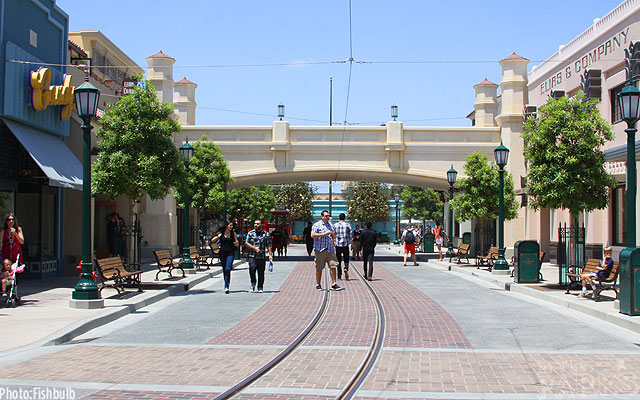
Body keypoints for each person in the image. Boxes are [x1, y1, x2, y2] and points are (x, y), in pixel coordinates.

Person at [311, 210, 342, 291]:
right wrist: (324, 234)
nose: (327, 217)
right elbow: (313, 235)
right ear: (322, 217)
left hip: (330, 250)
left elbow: (333, 235)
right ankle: (318, 284)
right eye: (326, 216)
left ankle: (334, 283)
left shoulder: (331, 225)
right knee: (319, 267)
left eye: (328, 216)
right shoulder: (317, 225)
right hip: (320, 250)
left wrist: (333, 235)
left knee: (333, 266)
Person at [244, 219, 273, 293]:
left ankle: (260, 286)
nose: (256, 225)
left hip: (261, 256)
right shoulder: (250, 233)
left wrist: (270, 254)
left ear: (261, 225)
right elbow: (246, 243)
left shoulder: (266, 234)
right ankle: (253, 283)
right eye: (255, 224)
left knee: (261, 272)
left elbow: (269, 244)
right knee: (252, 269)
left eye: (257, 224)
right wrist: (254, 248)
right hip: (252, 255)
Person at [212, 220, 239, 294]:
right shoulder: (221, 233)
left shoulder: (233, 233)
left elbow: (237, 243)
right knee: (224, 269)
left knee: (228, 268)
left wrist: (237, 243)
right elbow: (212, 240)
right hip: (222, 253)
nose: (231, 227)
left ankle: (227, 285)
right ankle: (226, 284)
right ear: (226, 226)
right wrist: (218, 236)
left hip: (230, 253)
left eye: (232, 225)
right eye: (230, 225)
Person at [334, 213, 351, 280]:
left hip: (338, 245)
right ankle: (346, 268)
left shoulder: (335, 225)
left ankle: (339, 275)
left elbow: (333, 234)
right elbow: (350, 235)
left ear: (339, 218)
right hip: (345, 245)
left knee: (338, 260)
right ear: (344, 218)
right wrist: (349, 242)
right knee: (346, 259)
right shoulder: (347, 225)